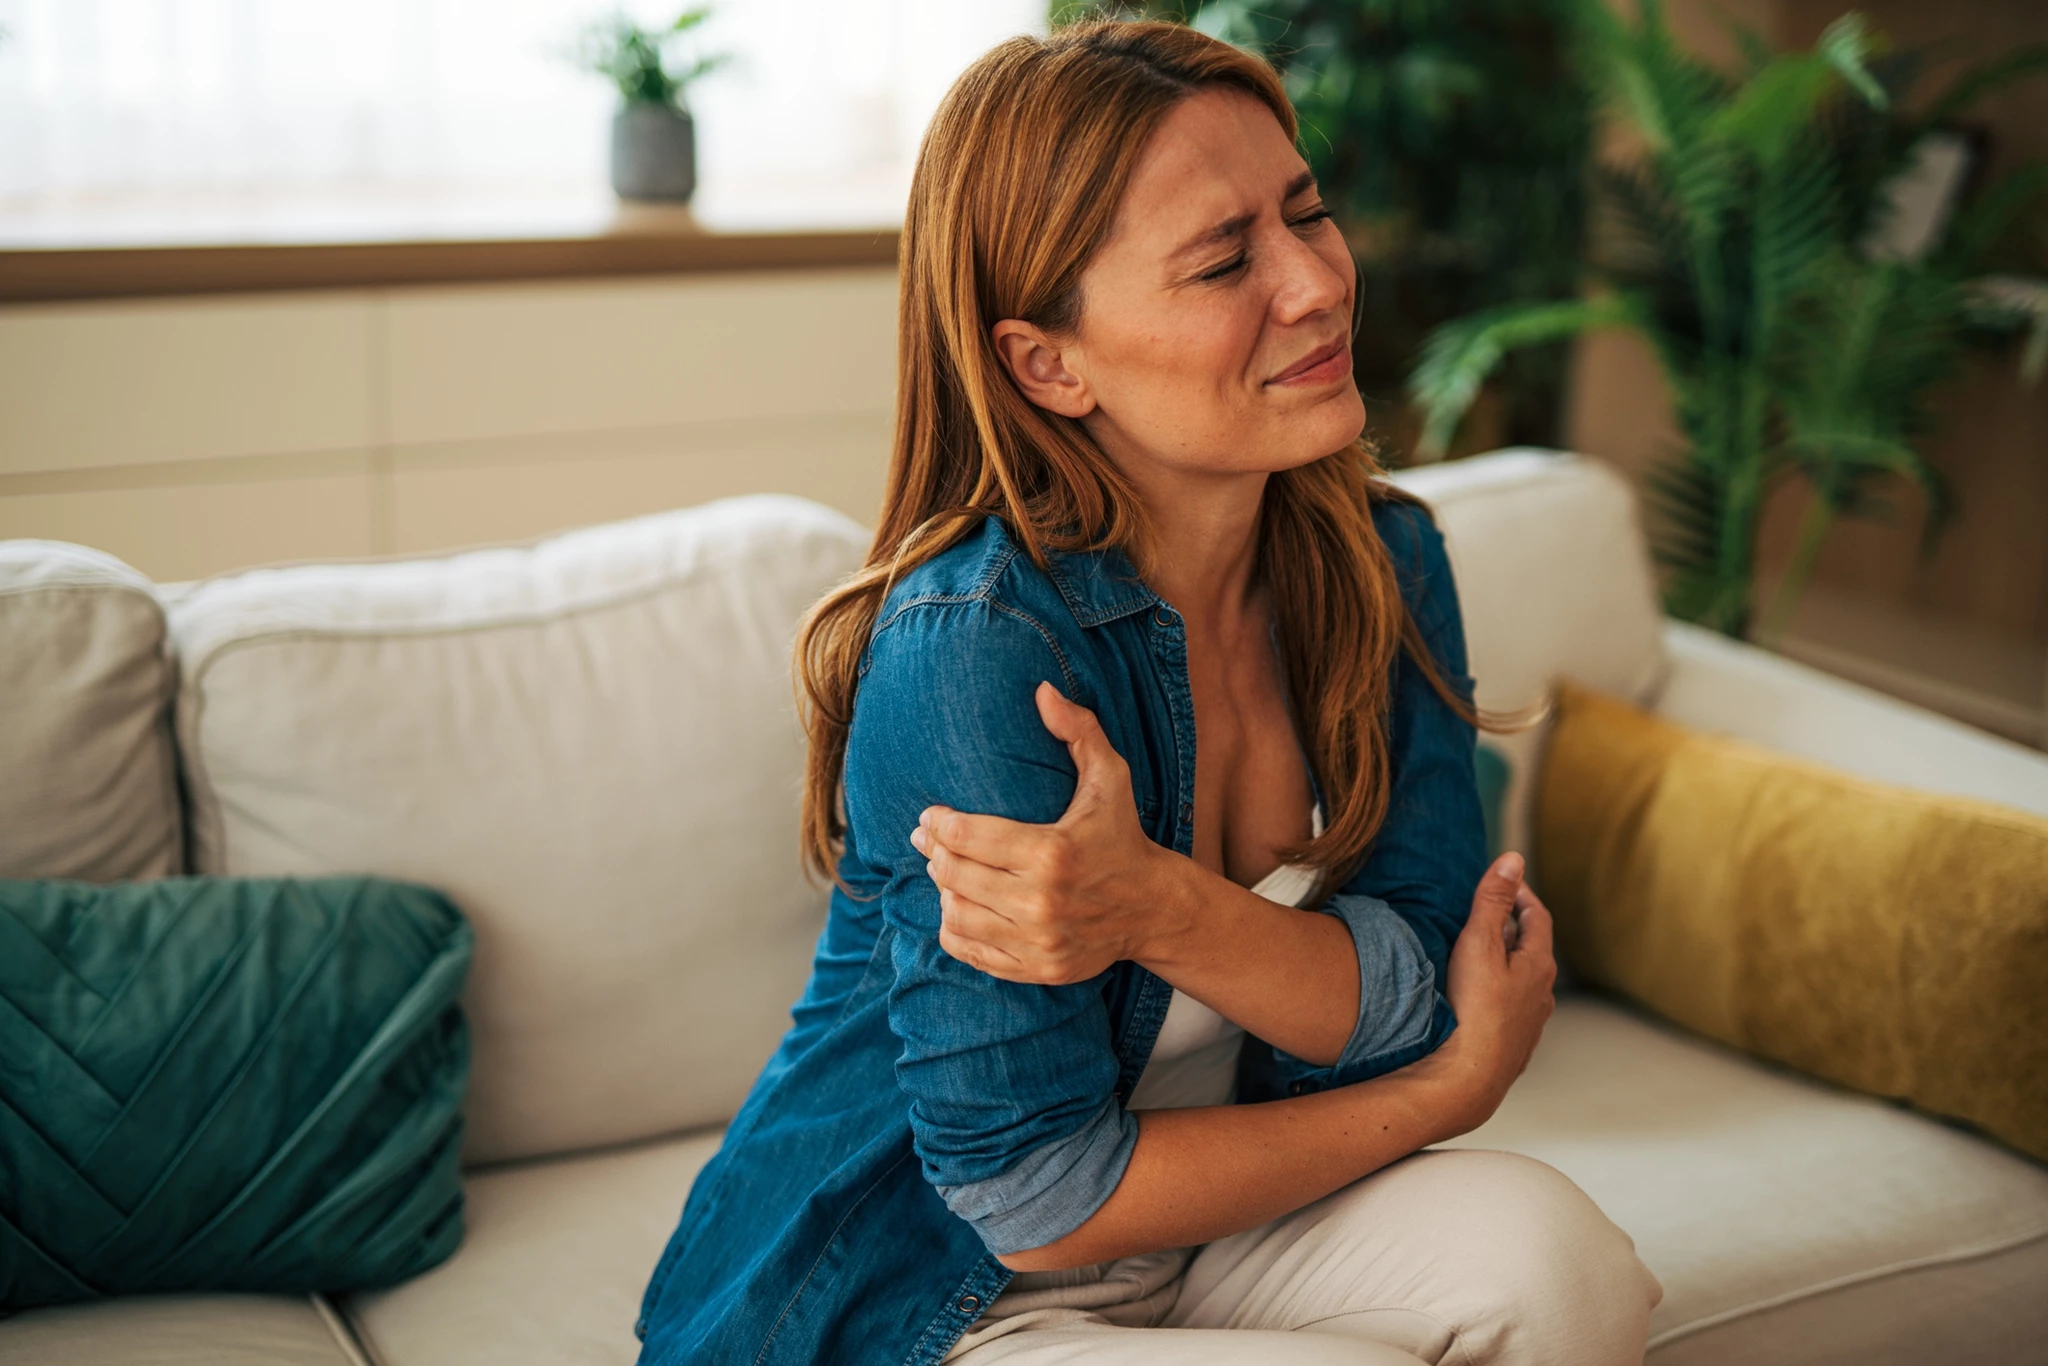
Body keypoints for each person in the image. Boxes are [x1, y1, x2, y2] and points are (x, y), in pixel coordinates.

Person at [635, 19, 1661, 1366]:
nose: (1313, 283)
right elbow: (1032, 1196)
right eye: (1226, 259)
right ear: (1048, 362)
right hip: (933, 1295)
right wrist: (1454, 1087)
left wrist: (1164, 909)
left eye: (1310, 214)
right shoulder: (979, 642)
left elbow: (1421, 980)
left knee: (1567, 1270)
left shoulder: (1384, 558)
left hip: (1224, 1229)